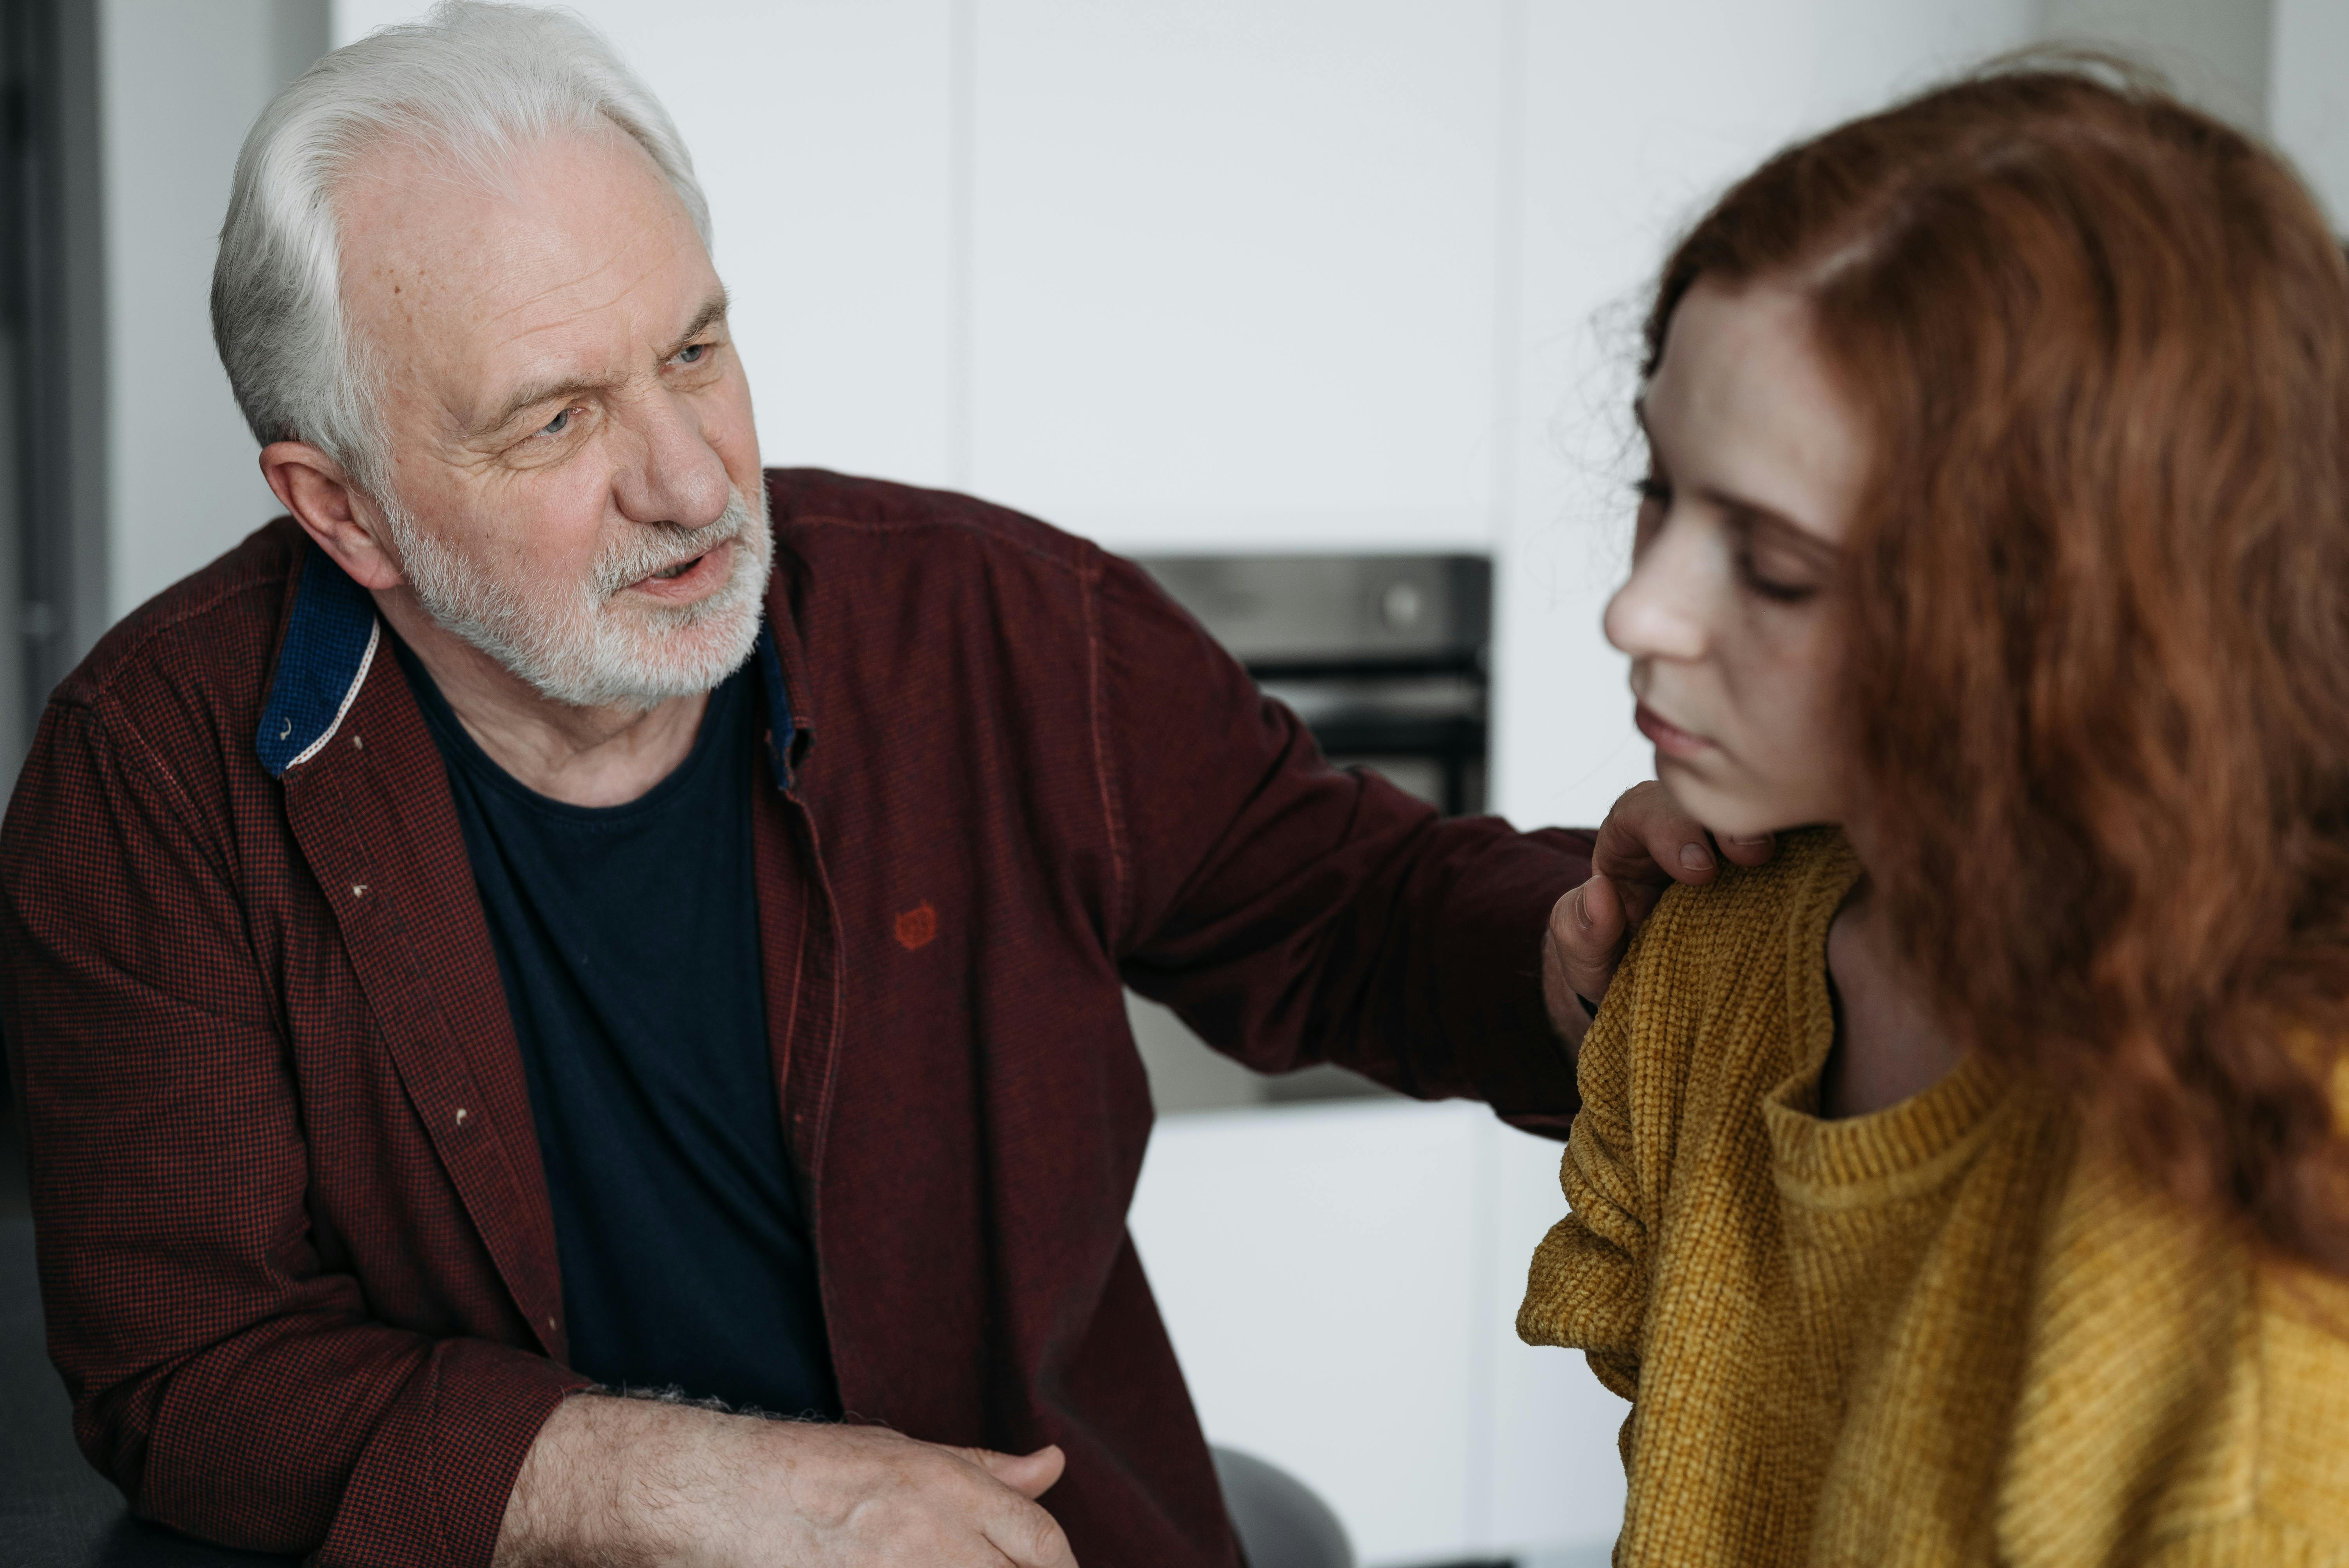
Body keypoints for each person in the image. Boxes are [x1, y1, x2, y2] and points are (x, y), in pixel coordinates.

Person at [0, 5, 1723, 1564]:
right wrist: (708, 1488)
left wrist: (1573, 946)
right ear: (344, 510)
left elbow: (1353, 910)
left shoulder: (996, 621)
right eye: (552, 422)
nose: (691, 480)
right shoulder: (152, 778)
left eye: (694, 351)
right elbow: (193, 1369)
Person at [1517, 64, 2349, 1566]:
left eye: (1775, 568)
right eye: (1663, 485)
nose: (1636, 608)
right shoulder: (1712, 956)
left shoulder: (2281, 1212)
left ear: (2074, 619)